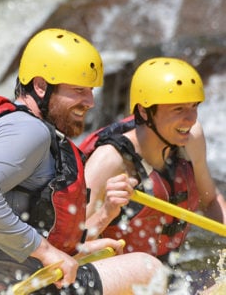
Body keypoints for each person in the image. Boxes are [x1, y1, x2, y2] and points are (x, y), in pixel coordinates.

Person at [0, 29, 168, 295]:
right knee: (148, 270)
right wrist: (45, 252)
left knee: (107, 256)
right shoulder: (28, 131)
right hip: (11, 288)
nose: (90, 102)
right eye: (78, 90)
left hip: (16, 278)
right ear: (41, 86)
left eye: (90, 90)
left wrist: (99, 221)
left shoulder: (20, 127)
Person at [79, 57, 226, 292]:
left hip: (166, 278)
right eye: (178, 109)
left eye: (194, 106)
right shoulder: (110, 161)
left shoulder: (191, 139)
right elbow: (69, 246)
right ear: (144, 112)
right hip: (120, 281)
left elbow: (210, 200)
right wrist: (106, 212)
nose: (190, 119)